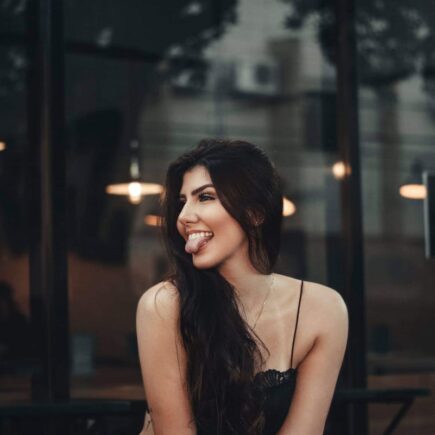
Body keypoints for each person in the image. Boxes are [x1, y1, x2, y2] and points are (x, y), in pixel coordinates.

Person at [136, 139, 348, 435]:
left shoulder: (322, 308)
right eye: (182, 202)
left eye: (205, 197)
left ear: (254, 214)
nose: (183, 217)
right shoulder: (163, 304)